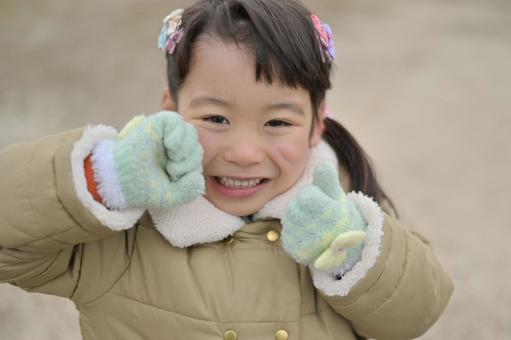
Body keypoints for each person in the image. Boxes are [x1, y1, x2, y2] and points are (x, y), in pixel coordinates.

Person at [0, 0, 453, 339]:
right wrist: (105, 178)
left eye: (277, 122)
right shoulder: (123, 233)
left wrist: (347, 249)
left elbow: (415, 313)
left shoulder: (345, 214)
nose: (243, 152)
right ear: (171, 108)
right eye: (216, 119)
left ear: (317, 124)